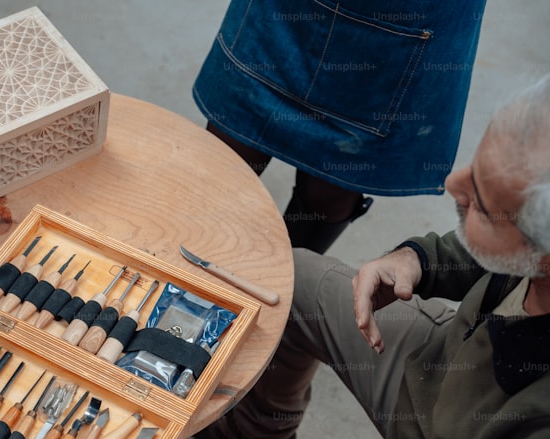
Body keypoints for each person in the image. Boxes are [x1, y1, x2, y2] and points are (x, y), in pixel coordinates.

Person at [76, 73, 550, 439]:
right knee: (290, 281)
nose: (450, 185)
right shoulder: (533, 255)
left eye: (479, 201)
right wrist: (420, 258)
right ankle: (255, 437)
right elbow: (504, 246)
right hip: (449, 375)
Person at [193, 0, 486, 253]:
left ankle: (282, 286)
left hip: (407, 19)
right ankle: (183, 267)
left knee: (333, 182)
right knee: (230, 148)